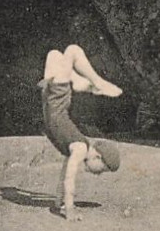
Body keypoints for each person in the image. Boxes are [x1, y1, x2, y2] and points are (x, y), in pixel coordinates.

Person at [39, 44, 122, 221]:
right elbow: (70, 176)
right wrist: (69, 209)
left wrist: (57, 199)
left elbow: (64, 171)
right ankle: (97, 83)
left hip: (50, 101)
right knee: (72, 50)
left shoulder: (75, 147)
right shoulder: (80, 148)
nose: (98, 174)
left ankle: (78, 82)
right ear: (98, 156)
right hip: (56, 100)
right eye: (102, 170)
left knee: (54, 54)